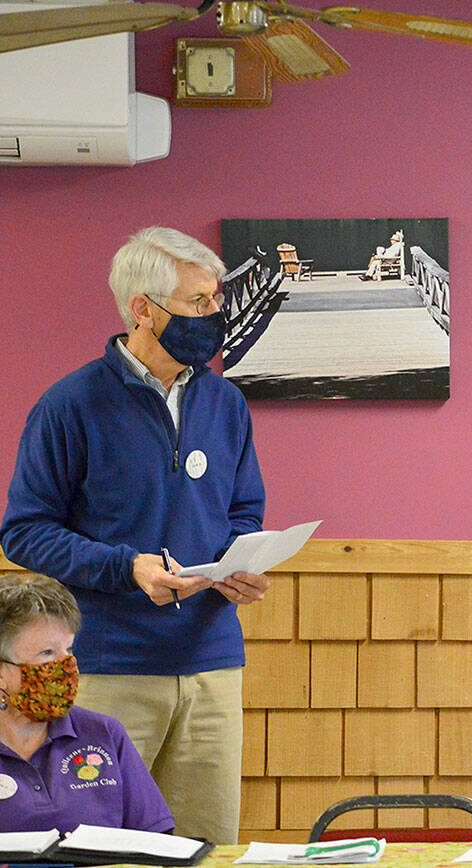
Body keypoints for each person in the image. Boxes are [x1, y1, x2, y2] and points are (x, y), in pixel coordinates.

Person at [0, 226, 269, 844]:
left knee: (208, 844)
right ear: (141, 309)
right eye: (198, 303)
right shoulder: (69, 406)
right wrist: (128, 568)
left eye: (215, 300)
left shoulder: (227, 404)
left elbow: (244, 511)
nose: (215, 315)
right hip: (110, 665)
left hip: (212, 664)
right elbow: (25, 531)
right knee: (101, 844)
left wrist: (240, 561)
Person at [0, 572, 173, 834]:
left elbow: (154, 836)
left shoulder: (103, 732)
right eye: (47, 653)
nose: (65, 666)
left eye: (68, 650)